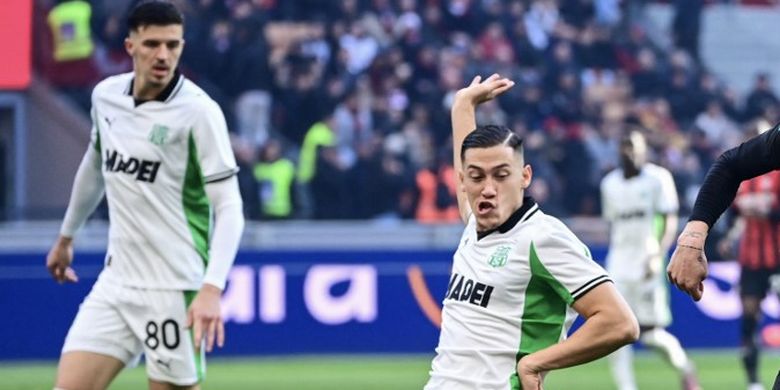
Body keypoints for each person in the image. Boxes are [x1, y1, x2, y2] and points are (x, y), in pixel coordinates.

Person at [45, 1, 245, 389]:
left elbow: (230, 206)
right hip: (116, 282)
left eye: (173, 45)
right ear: (130, 45)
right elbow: (95, 165)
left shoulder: (199, 113)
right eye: (153, 43)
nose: (163, 55)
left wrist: (211, 287)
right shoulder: (106, 97)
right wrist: (66, 236)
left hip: (173, 289)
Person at [425, 74, 639, 390]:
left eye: (501, 175)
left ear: (525, 176)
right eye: (476, 177)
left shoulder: (542, 239)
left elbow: (620, 323)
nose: (487, 189)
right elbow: (466, 164)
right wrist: (463, 104)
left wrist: (536, 362)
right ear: (463, 181)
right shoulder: (475, 223)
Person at [600, 131, 699, 390]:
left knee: (651, 334)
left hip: (648, 262)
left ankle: (685, 368)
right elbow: (612, 224)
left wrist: (658, 254)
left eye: (633, 147)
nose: (628, 152)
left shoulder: (658, 179)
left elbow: (668, 220)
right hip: (619, 264)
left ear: (644, 150)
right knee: (615, 330)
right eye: (623, 147)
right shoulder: (609, 184)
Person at [718, 169, 780, 390]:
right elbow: (733, 214)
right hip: (750, 262)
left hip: (778, 258)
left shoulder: (777, 176)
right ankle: (753, 382)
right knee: (749, 318)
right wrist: (727, 237)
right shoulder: (742, 181)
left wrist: (769, 212)